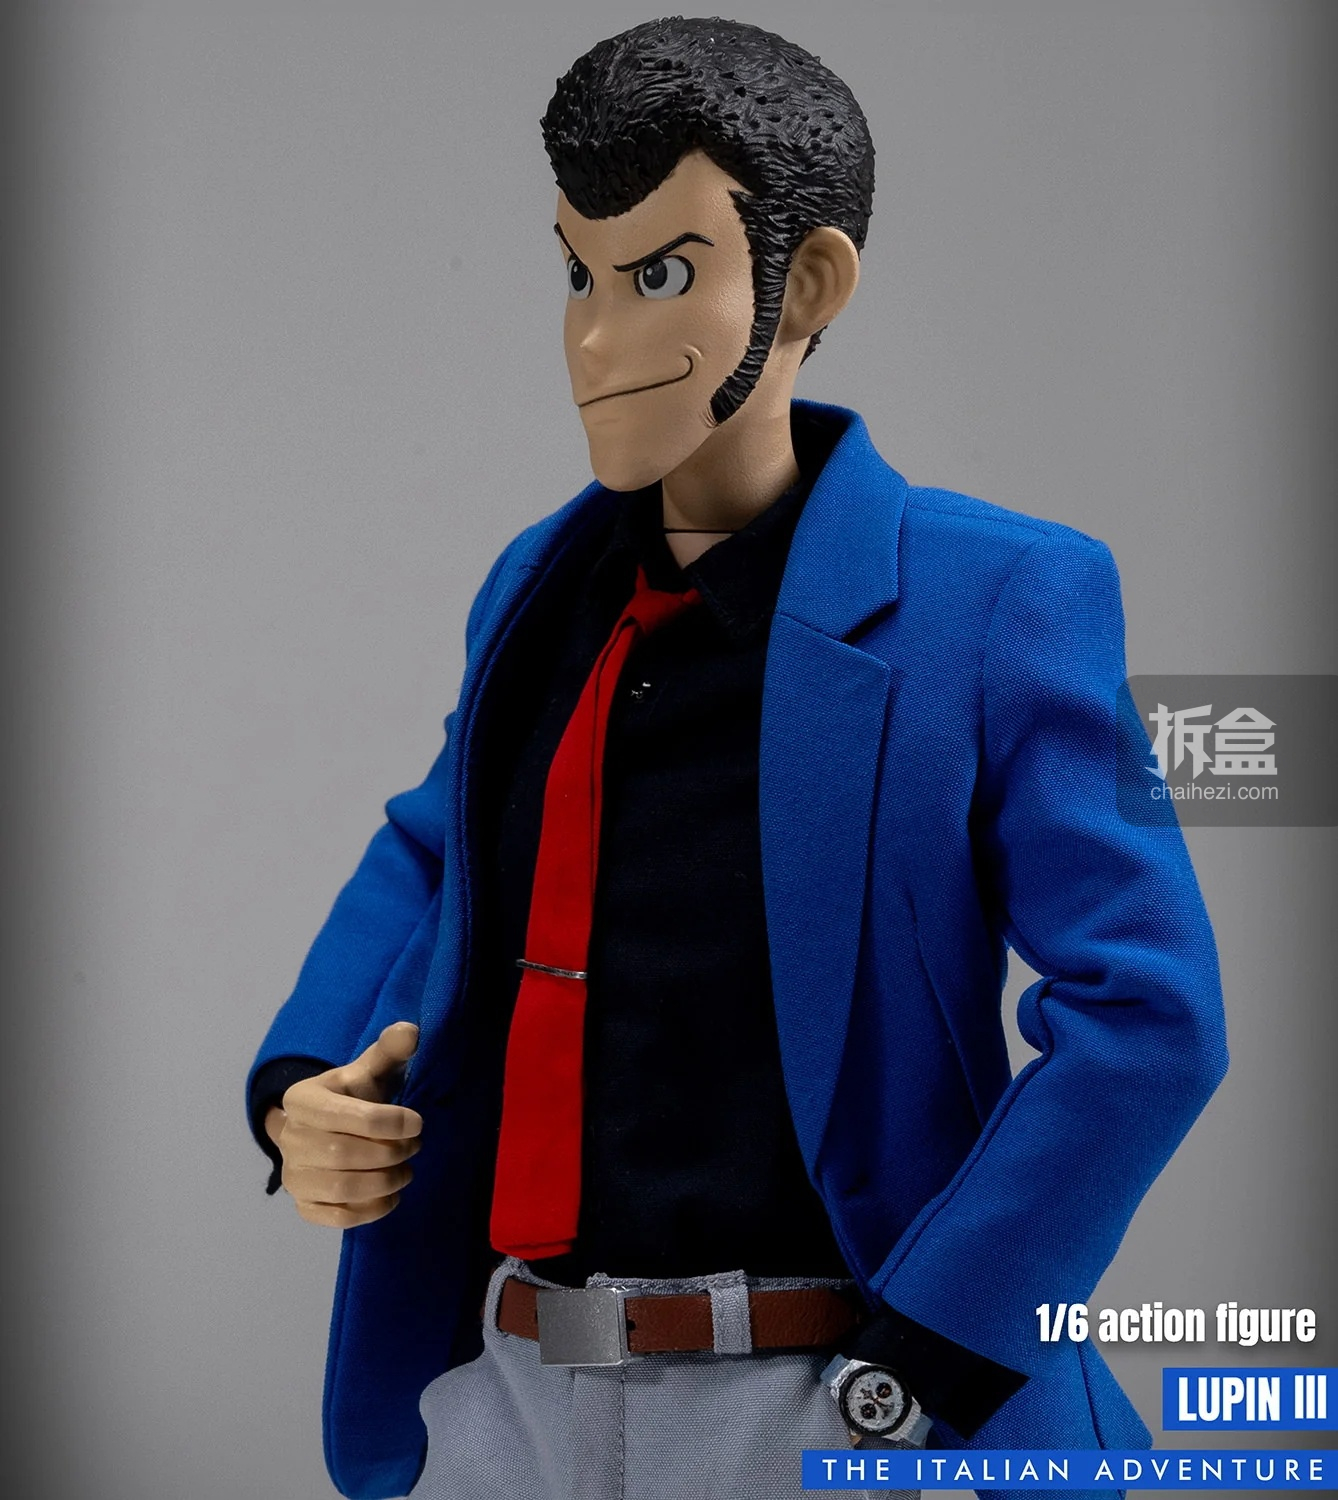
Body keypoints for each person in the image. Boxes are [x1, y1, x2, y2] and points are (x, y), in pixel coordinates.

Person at [248, 18, 1226, 1500]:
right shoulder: (540, 586)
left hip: (820, 1390)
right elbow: (437, 848)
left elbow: (1149, 1013)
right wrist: (303, 1077)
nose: (596, 340)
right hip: (511, 1387)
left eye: (659, 278)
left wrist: (933, 1354)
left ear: (807, 284)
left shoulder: (990, 600)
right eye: (577, 273)